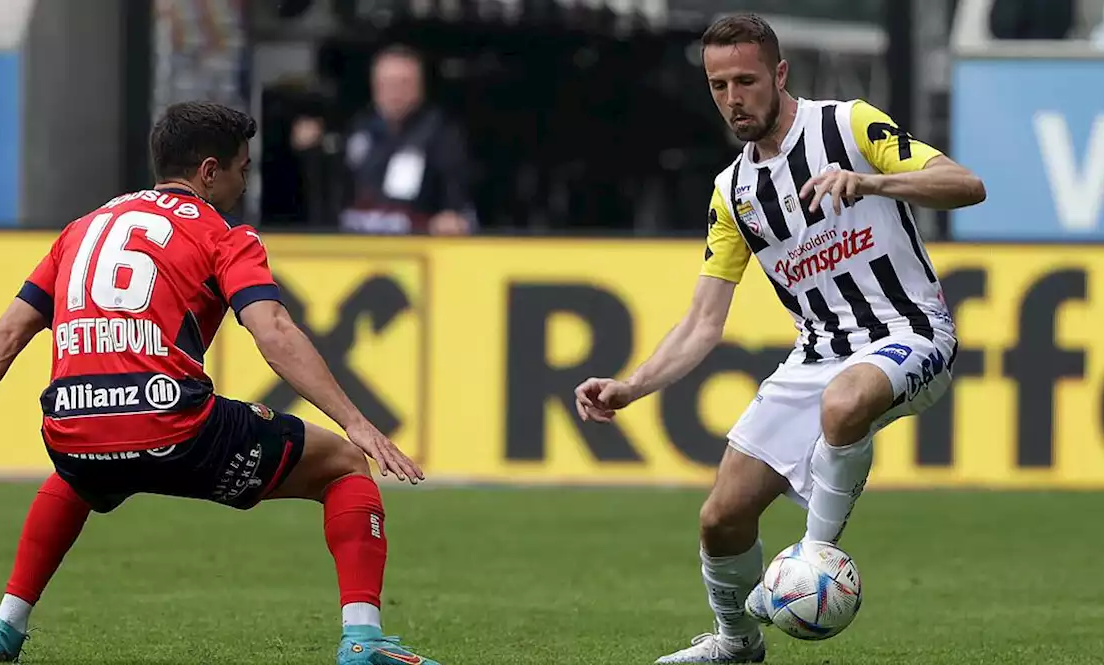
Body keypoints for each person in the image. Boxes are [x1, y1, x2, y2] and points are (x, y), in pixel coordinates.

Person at [0, 101, 443, 665]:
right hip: (175, 424)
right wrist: (355, 422)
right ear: (210, 171)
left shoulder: (81, 230)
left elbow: (6, 335)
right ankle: (363, 639)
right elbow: (274, 330)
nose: (244, 181)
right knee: (344, 466)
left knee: (80, 472)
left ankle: (2, 633)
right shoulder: (223, 234)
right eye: (243, 168)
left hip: (71, 423)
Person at [573, 13, 985, 664]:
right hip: (816, 356)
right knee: (721, 518)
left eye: (746, 80)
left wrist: (873, 180)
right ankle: (738, 643)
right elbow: (704, 321)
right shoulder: (733, 193)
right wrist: (631, 385)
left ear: (780, 74)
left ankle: (813, 562)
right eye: (718, 85)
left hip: (910, 332)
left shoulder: (847, 125)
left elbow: (966, 184)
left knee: (846, 402)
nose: (733, 99)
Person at [292, 44, 476, 235]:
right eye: (386, 83)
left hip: (414, 240)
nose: (394, 92)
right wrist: (312, 150)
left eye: (403, 83)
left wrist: (452, 215)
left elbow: (456, 194)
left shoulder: (442, 133)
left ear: (420, 86)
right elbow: (335, 186)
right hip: (356, 241)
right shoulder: (358, 127)